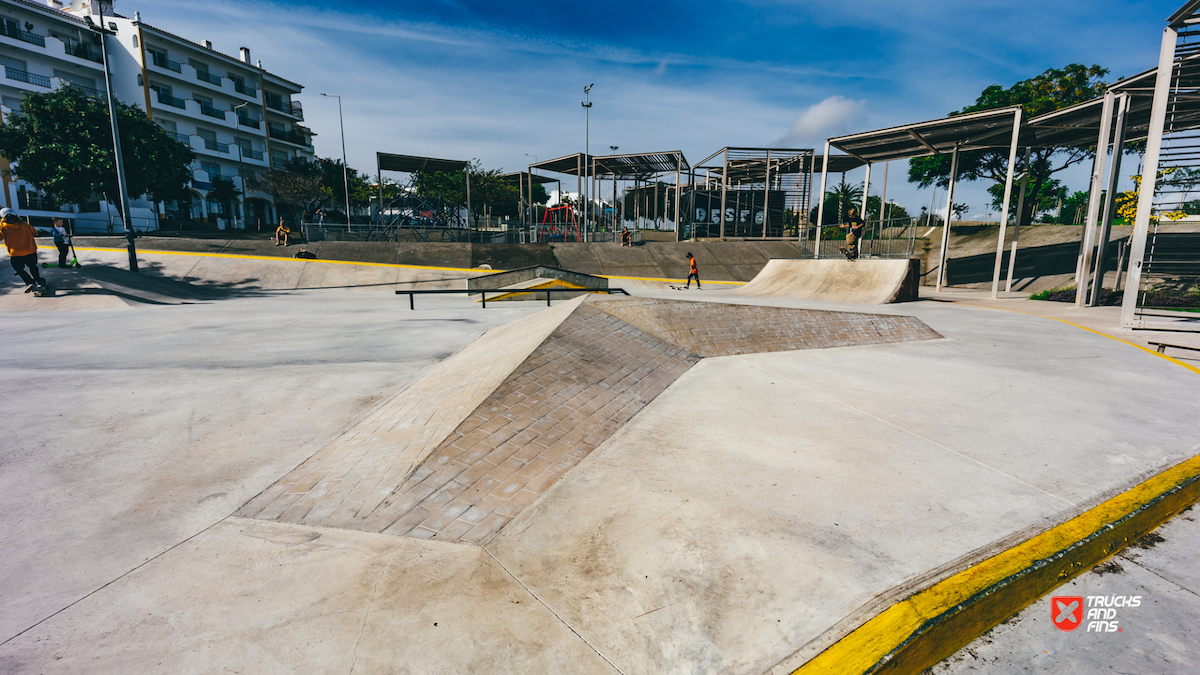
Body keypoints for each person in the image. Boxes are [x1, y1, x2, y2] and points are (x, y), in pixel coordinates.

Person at [0, 208, 46, 292]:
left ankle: (29, 281)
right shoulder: (25, 225)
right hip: (30, 251)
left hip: (16, 254)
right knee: (33, 267)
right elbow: (35, 233)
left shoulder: (3, 227)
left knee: (18, 268)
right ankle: (38, 280)